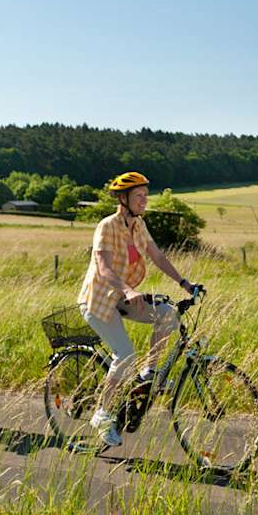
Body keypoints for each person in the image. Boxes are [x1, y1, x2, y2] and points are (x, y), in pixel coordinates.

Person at [77, 171, 199, 446]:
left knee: (168, 315)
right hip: (98, 301)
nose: (144, 200)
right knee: (125, 355)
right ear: (123, 198)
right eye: (139, 196)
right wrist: (129, 291)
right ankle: (102, 414)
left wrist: (184, 282)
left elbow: (157, 256)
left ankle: (149, 373)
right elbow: (103, 267)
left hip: (122, 297)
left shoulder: (138, 225)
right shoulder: (107, 226)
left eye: (146, 195)